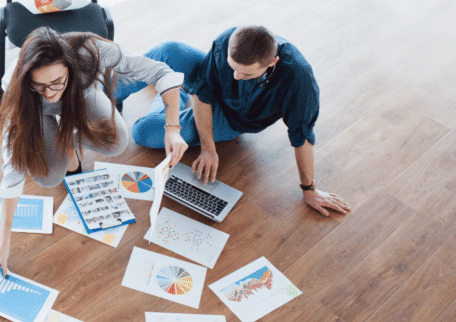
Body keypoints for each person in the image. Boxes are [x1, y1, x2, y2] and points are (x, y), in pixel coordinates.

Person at [0, 28, 188, 277]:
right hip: (36, 112)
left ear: (70, 65)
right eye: (39, 85)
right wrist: (3, 243)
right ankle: (59, 135)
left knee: (117, 142)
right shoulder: (15, 83)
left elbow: (161, 72)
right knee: (49, 177)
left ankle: (68, 137)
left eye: (57, 82)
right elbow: (12, 170)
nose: (49, 93)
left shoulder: (91, 52)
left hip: (82, 94)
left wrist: (173, 128)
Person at [117, 25, 351, 217]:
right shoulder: (228, 39)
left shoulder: (299, 82)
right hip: (208, 91)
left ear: (272, 63)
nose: (237, 77)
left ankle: (171, 91)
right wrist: (208, 148)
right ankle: (103, 96)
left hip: (232, 118)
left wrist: (309, 190)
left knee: (143, 133)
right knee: (167, 50)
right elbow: (204, 91)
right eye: (233, 68)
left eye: (246, 74)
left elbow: (302, 138)